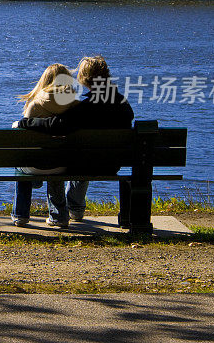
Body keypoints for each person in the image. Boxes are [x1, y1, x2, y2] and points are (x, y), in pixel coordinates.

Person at [15, 55, 134, 228]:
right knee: (82, 157)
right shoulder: (123, 104)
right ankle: (78, 209)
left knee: (76, 159)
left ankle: (68, 209)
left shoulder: (86, 108)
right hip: (113, 164)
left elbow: (57, 125)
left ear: (85, 79)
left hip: (86, 163)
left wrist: (26, 122)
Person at [11, 64, 80, 227]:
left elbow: (23, 139)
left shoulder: (34, 104)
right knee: (56, 162)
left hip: (34, 166)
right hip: (61, 166)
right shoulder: (75, 105)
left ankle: (20, 214)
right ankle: (59, 216)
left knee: (22, 166)